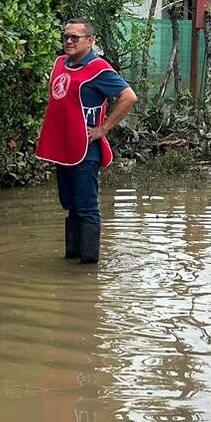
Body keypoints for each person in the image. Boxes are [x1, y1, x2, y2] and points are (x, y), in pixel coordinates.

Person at [36, 19, 137, 264]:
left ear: (90, 41)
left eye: (75, 37)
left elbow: (128, 97)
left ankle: (88, 268)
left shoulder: (99, 69)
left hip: (85, 150)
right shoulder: (60, 63)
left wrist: (103, 128)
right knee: (70, 204)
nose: (69, 41)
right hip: (63, 148)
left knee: (87, 207)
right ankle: (71, 258)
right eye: (66, 37)